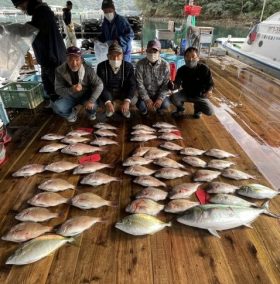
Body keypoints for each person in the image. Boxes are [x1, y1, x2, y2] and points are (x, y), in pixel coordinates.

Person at [11, 0, 66, 103]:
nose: (22, 9)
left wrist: (9, 29)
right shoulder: (40, 12)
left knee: (57, 87)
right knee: (48, 86)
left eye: (21, 5)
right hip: (47, 58)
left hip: (53, 57)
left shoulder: (43, 12)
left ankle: (64, 108)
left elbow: (30, 30)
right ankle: (55, 103)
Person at [52, 47, 103, 122]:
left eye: (77, 60)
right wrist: (71, 89)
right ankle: (71, 114)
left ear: (81, 60)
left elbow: (99, 85)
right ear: (66, 60)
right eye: (70, 60)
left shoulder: (88, 69)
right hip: (70, 95)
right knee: (57, 107)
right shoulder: (59, 70)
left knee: (93, 106)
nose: (74, 63)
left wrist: (91, 100)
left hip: (86, 94)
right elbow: (58, 90)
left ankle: (91, 113)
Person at [171, 47, 214, 119]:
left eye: (193, 57)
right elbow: (177, 84)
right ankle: (180, 109)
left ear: (198, 58)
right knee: (173, 97)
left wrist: (209, 90)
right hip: (186, 93)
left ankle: (197, 110)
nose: (190, 59)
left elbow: (210, 83)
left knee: (210, 111)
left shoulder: (204, 69)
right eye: (187, 57)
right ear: (184, 58)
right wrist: (172, 86)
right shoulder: (181, 70)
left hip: (199, 95)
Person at [97, 42, 137, 118]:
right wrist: (108, 102)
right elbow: (101, 85)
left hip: (122, 92)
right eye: (112, 56)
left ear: (122, 56)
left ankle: (123, 108)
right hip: (108, 92)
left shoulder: (129, 66)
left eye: (118, 56)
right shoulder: (101, 66)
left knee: (134, 99)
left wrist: (127, 101)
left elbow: (132, 84)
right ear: (108, 56)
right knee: (100, 100)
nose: (115, 59)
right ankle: (111, 107)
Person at [135, 39, 171, 115]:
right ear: (146, 51)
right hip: (145, 94)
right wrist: (147, 99)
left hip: (158, 94)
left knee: (166, 104)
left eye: (155, 51)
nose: (152, 54)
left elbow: (166, 84)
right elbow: (139, 84)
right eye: (150, 51)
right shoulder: (140, 64)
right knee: (140, 105)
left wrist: (160, 99)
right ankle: (145, 112)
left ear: (159, 52)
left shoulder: (165, 65)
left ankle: (159, 110)